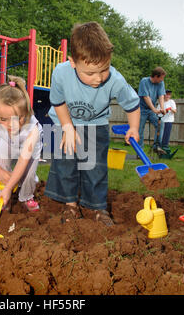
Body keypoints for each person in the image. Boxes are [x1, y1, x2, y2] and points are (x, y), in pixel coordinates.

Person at [44, 22, 140, 227]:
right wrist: (67, 128)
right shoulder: (61, 72)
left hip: (96, 124)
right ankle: (70, 205)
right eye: (90, 73)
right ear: (72, 62)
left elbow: (132, 104)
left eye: (103, 70)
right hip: (62, 120)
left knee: (96, 167)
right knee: (66, 163)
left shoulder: (115, 79)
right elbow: (58, 102)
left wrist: (133, 127)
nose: (98, 78)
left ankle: (97, 207)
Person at [0, 75, 42, 214]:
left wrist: (10, 187)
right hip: (7, 141)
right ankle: (3, 198)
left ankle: (26, 197)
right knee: (0, 161)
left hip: (29, 145)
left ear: (25, 113)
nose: (11, 125)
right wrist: (0, 172)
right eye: (4, 119)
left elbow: (23, 160)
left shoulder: (33, 129)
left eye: (17, 118)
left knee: (28, 172)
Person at [137, 67, 167, 154]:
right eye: (161, 77)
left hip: (151, 110)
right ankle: (140, 152)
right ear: (156, 76)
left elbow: (161, 95)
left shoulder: (161, 83)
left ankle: (156, 146)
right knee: (140, 130)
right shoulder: (144, 81)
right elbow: (146, 97)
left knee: (160, 124)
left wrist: (162, 108)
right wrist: (154, 109)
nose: (162, 80)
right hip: (141, 109)